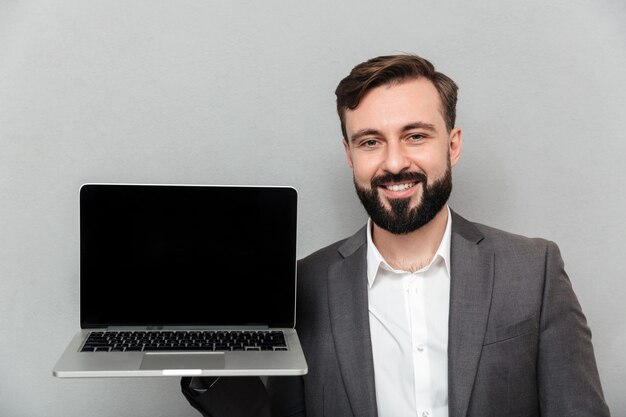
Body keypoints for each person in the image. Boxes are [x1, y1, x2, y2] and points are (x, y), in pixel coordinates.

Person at [181, 54, 610, 417]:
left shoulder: (535, 270)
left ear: (453, 145)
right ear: (350, 156)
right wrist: (207, 351)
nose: (394, 162)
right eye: (370, 142)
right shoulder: (304, 286)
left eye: (416, 135)